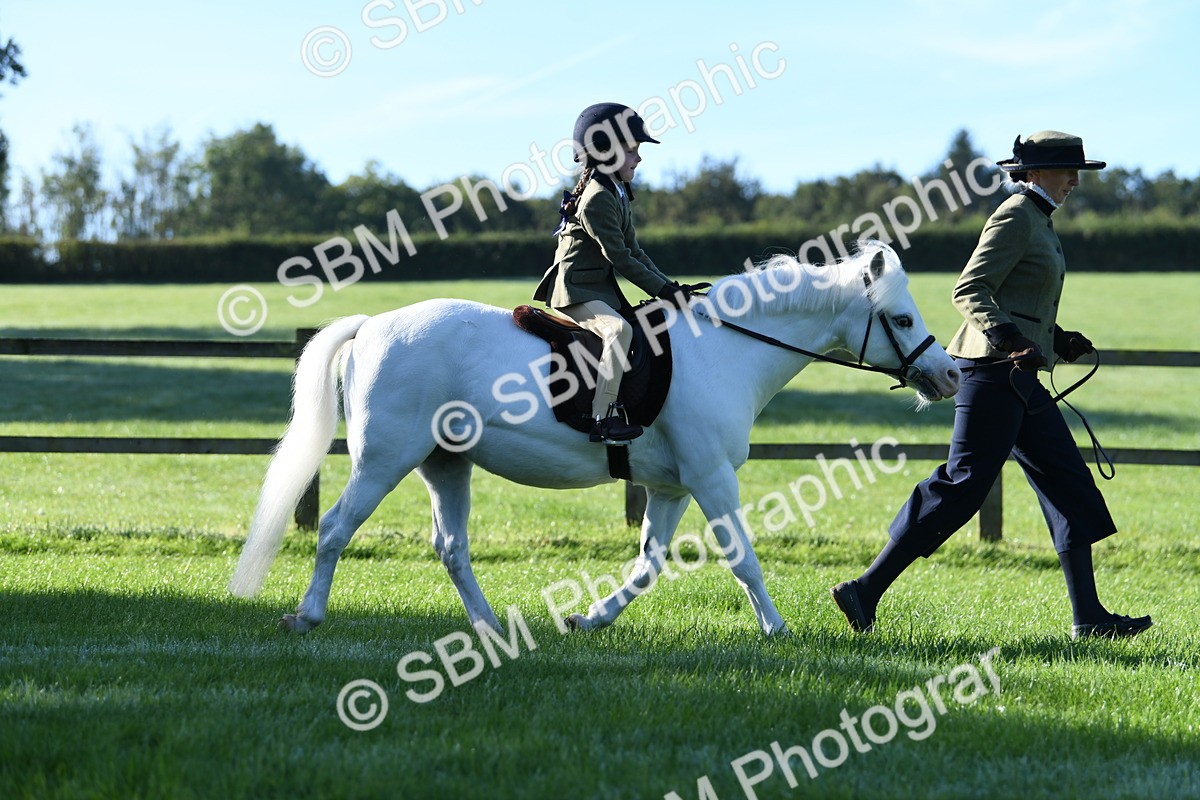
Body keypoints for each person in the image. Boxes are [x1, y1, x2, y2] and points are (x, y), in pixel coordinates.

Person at [830, 131, 1152, 640]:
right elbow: (970, 288)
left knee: (1068, 481)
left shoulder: (1039, 220)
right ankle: (864, 590)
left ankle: (1089, 618)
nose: (1074, 181)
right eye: (1069, 171)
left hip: (1018, 377)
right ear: (1035, 173)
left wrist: (1056, 338)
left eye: (1078, 173)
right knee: (963, 488)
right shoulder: (1015, 215)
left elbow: (1019, 294)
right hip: (989, 370)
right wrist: (1010, 338)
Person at [533, 102, 694, 445]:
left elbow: (637, 252)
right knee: (618, 331)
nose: (638, 158)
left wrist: (670, 287)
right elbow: (620, 258)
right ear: (605, 152)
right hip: (575, 291)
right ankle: (603, 419)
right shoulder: (596, 199)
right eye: (632, 150)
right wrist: (665, 293)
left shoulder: (617, 191)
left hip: (598, 290)